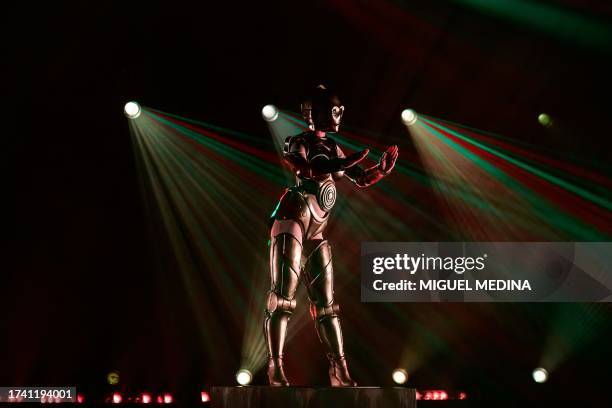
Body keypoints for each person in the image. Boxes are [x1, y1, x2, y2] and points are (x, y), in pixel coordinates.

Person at [264, 84, 399, 386]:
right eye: (333, 109)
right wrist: (344, 163)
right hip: (293, 218)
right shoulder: (297, 142)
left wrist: (381, 170)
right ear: (316, 112)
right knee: (283, 299)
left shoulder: (333, 146)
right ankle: (275, 368)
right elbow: (305, 168)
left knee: (327, 305)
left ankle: (339, 371)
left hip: (317, 226)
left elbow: (360, 178)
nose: (339, 114)